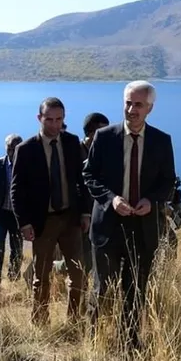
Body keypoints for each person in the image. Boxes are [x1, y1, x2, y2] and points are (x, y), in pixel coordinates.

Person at [82, 81, 177, 357]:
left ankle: (130, 343)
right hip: (107, 226)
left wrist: (152, 200)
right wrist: (111, 199)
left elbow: (168, 181)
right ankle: (94, 340)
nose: (131, 110)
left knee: (136, 290)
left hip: (142, 227)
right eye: (127, 103)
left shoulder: (161, 140)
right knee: (101, 288)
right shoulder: (104, 137)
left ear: (149, 108)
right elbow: (89, 176)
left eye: (137, 105)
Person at [11, 97, 89, 327]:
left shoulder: (72, 143)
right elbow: (16, 189)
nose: (55, 125)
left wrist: (85, 212)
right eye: (49, 120)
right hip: (42, 222)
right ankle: (40, 323)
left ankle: (74, 321)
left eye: (59, 119)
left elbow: (82, 181)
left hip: (70, 219)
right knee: (41, 276)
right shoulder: (26, 149)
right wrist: (23, 222)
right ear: (39, 118)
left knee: (78, 273)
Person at [0, 134, 24, 286]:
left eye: (16, 148)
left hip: (18, 216)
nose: (12, 152)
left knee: (17, 249)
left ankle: (14, 281)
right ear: (5, 148)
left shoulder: (26, 167)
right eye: (9, 148)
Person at [78, 112, 110, 278]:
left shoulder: (105, 154)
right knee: (80, 260)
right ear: (91, 133)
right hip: (79, 216)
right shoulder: (76, 152)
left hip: (98, 215)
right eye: (102, 131)